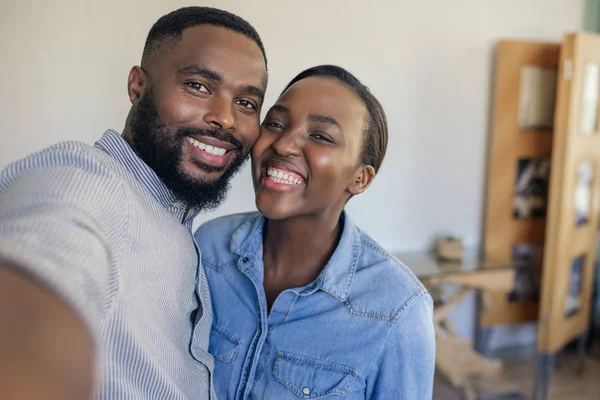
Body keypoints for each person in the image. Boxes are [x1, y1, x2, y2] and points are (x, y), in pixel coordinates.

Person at [0, 6, 268, 399]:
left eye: (246, 103)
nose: (225, 118)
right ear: (138, 86)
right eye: (198, 86)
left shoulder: (177, 223)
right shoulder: (88, 179)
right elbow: (29, 310)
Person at [195, 65, 435, 399]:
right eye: (275, 124)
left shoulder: (397, 308)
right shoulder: (209, 248)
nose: (284, 145)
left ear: (360, 178)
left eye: (320, 136)